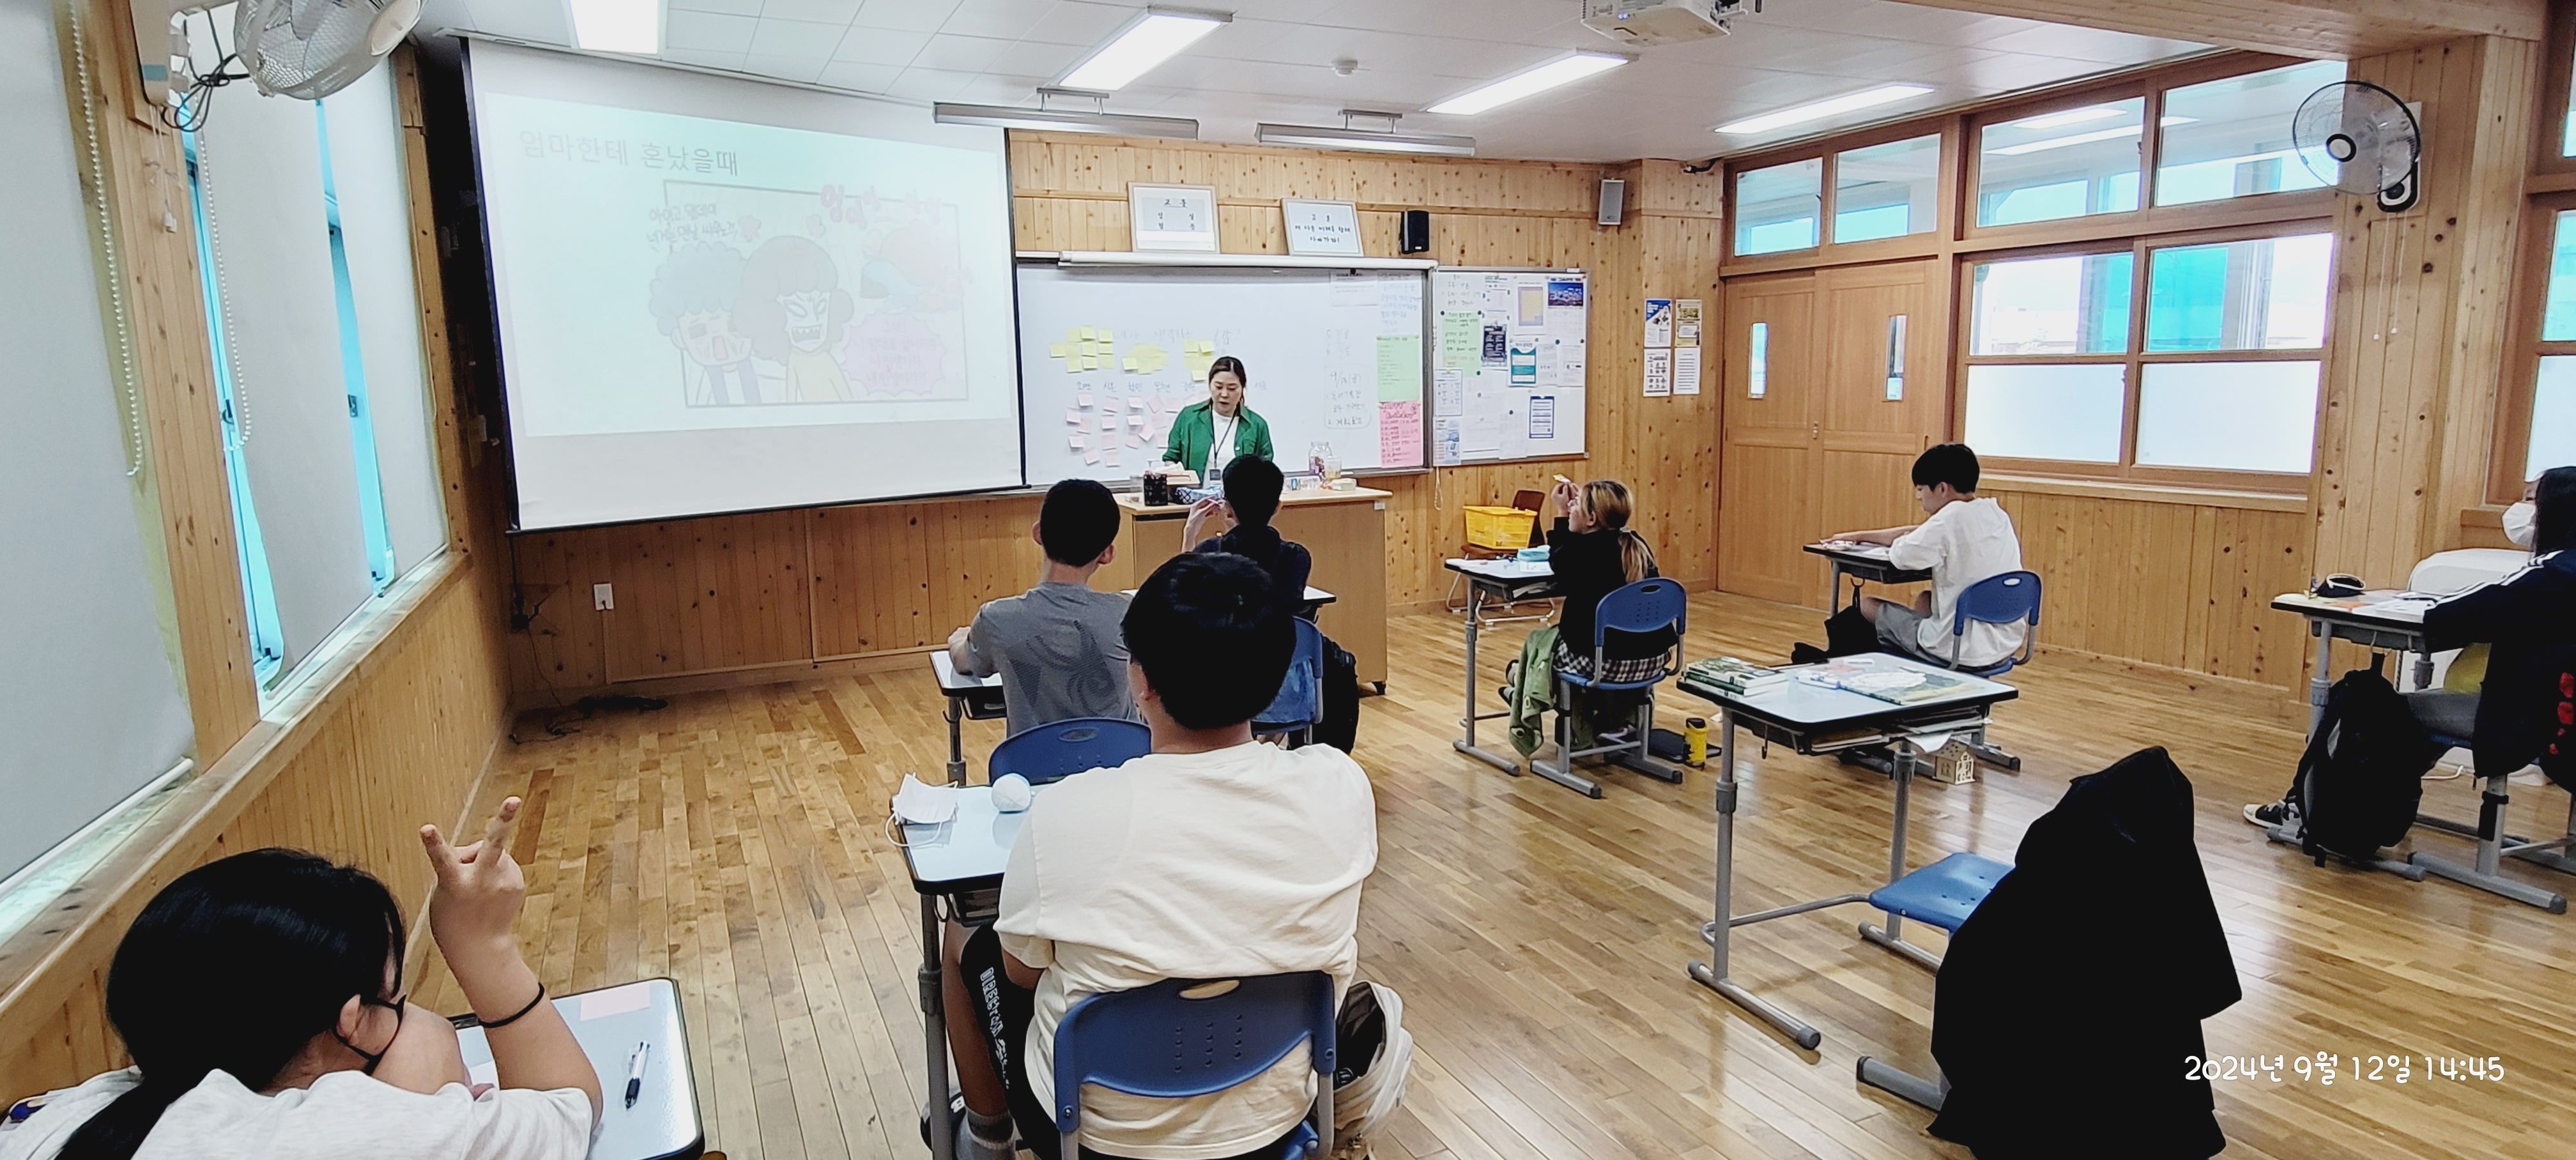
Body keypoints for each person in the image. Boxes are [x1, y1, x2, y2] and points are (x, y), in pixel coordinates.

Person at [939, 553, 1377, 1160]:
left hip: (1097, 1134)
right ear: (1277, 675)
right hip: (1276, 1109)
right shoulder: (1340, 784)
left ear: (1140, 680)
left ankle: (986, 1137)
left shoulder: (1067, 812)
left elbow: (1021, 973)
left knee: (964, 937)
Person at [0, 799, 599, 1160]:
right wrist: (481, 945)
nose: (408, 1017)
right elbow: (569, 1105)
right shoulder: (368, 1136)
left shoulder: (64, 1114)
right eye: (396, 999)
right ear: (348, 1022)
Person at [2248, 466, 2576, 827]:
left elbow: (2451, 612)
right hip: (2561, 720)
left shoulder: (2549, 573)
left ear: (2552, 512)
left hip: (2526, 722)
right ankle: (2376, 809)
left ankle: (2311, 810)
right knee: (2414, 719)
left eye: (2532, 501)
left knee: (2367, 707)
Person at [947, 478, 1137, 737]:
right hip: (1121, 759)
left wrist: (960, 638)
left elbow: (964, 661)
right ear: (1107, 554)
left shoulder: (997, 619)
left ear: (1038, 533)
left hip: (1035, 762)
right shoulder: (1129, 615)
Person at [1819, 443, 2026, 668]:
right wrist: (1858, 536)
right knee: (1924, 600)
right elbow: (1920, 533)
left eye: (1920, 489)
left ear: (1942, 489)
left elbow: (1902, 555)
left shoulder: (1947, 520)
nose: (1918, 497)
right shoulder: (1995, 513)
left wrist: (1863, 538)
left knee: (1866, 605)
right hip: (2002, 642)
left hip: (1959, 648)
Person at [1547, 477, 1675, 687]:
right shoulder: (1636, 545)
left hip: (1604, 664)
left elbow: (1558, 562)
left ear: (1591, 519)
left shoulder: (1579, 553)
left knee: (1539, 647)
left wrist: (1561, 513)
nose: (1570, 508)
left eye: (1575, 505)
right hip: (1654, 659)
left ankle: (1524, 688)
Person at [1180, 455, 1312, 622]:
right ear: (1278, 507)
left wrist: (1189, 533)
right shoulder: (1296, 556)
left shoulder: (1208, 552)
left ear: (1228, 509)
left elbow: (1181, 596)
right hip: (1278, 639)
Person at [1161, 356, 1272, 480]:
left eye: (1232, 388)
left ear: (1242, 389)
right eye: (1218, 387)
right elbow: (1171, 459)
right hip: (1192, 493)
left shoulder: (1257, 425)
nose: (1224, 394)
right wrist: (1176, 475)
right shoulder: (1188, 417)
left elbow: (1266, 469)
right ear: (1210, 385)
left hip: (1240, 493)